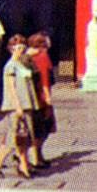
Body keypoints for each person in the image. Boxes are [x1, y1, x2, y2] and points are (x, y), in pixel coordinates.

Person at [0, 33, 36, 180]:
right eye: (17, 47)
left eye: (23, 47)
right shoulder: (10, 66)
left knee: (24, 138)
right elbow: (11, 87)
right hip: (16, 106)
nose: (20, 50)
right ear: (11, 49)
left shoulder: (21, 65)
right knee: (13, 138)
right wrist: (17, 106)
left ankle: (23, 166)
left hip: (27, 104)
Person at [26, 31, 56, 169]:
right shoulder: (43, 57)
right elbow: (45, 78)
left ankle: (37, 156)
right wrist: (48, 97)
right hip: (42, 98)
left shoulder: (30, 57)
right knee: (44, 128)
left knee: (37, 128)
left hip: (33, 97)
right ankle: (36, 157)